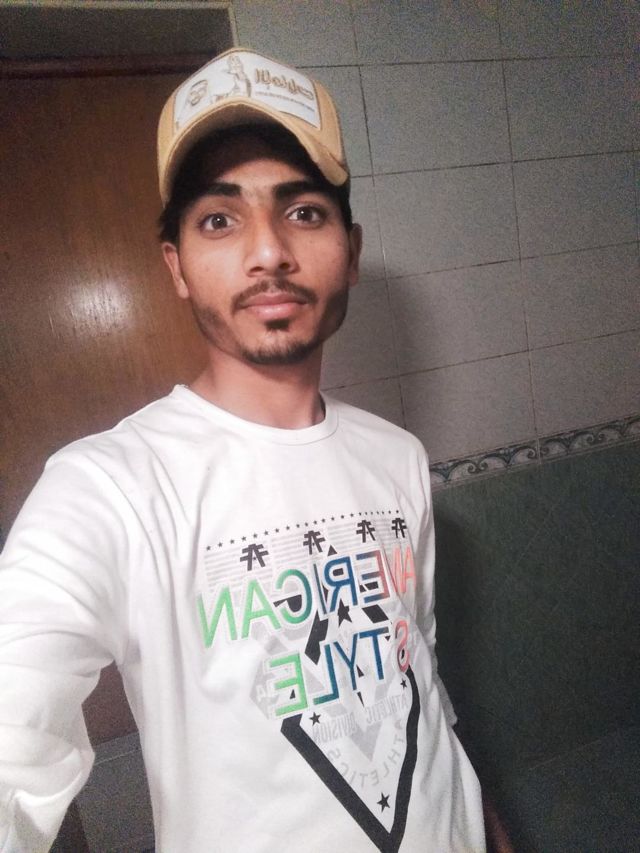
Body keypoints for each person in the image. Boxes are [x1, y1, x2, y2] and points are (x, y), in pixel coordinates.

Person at [0, 48, 507, 852]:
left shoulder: (397, 457)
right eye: (219, 219)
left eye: (303, 211)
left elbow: (416, 677)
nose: (268, 250)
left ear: (351, 248)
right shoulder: (107, 489)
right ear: (176, 267)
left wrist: (487, 828)